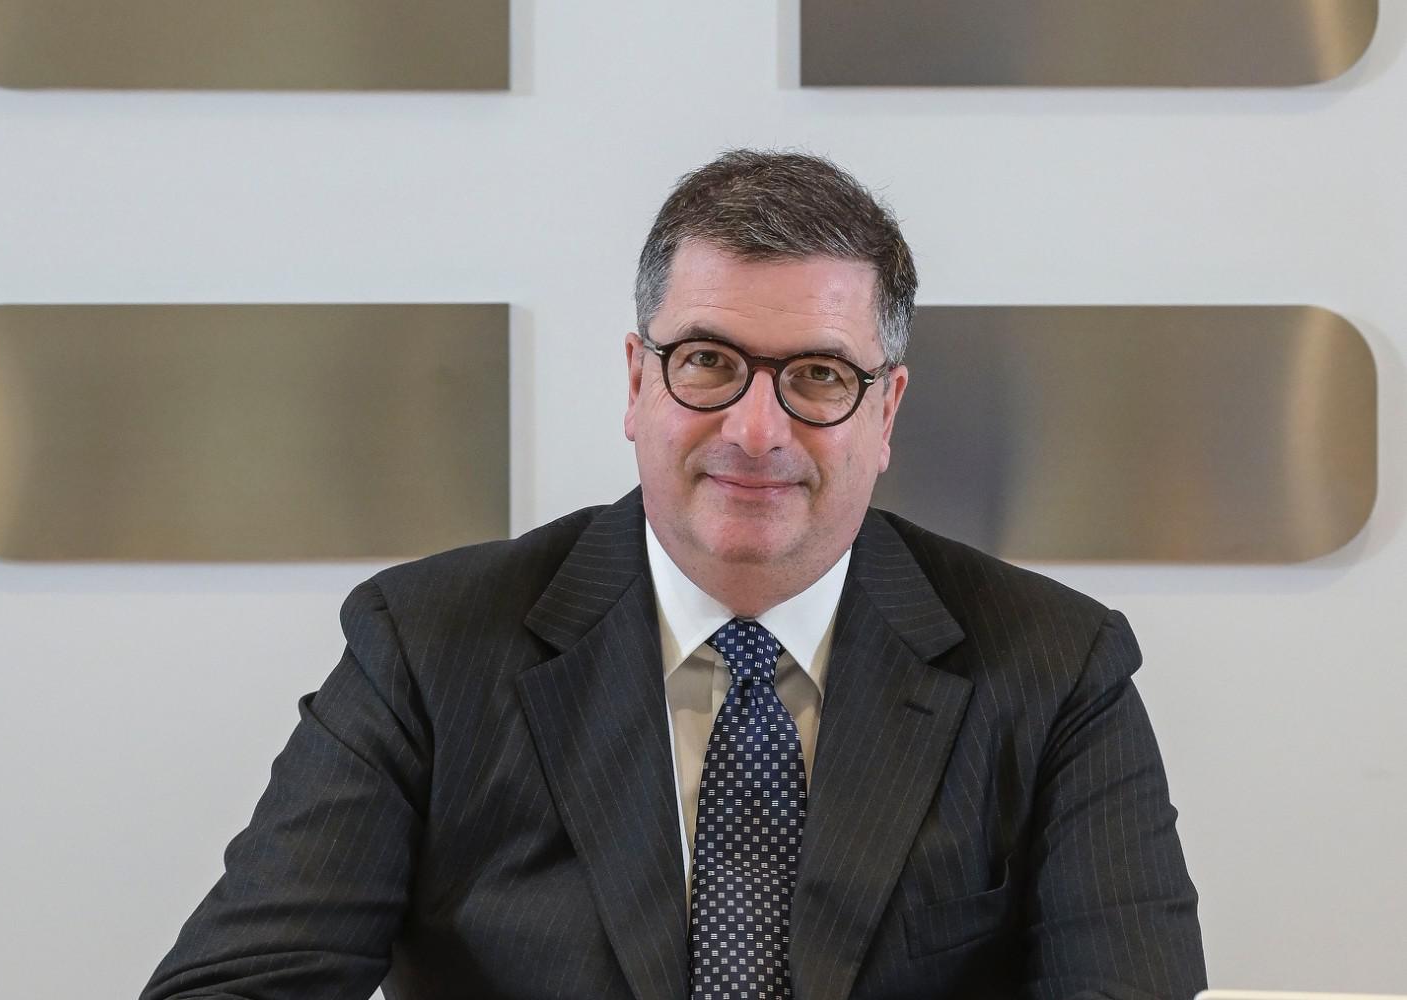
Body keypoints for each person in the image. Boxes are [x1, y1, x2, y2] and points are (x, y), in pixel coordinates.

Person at [141, 150, 1206, 1000]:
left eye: (818, 376)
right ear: (636, 383)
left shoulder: (1056, 669)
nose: (755, 430)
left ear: (886, 411)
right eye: (707, 362)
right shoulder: (427, 649)